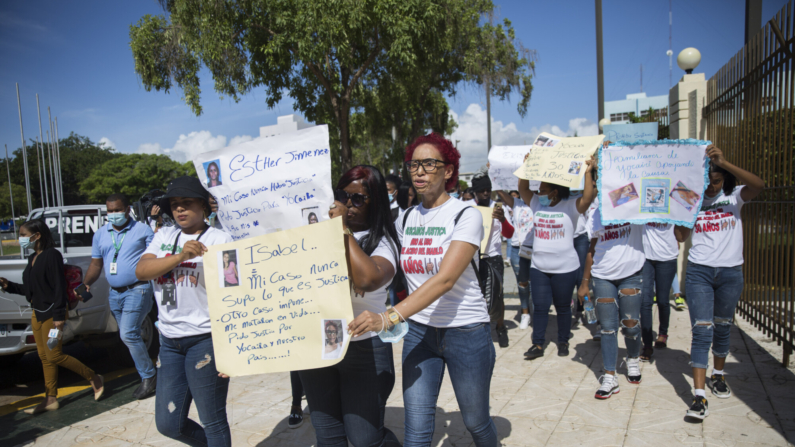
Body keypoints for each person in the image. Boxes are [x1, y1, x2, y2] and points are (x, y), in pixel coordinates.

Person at [348, 133, 498, 445]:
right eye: (414, 164)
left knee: (475, 422)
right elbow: (380, 257)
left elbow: (445, 280)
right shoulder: (405, 218)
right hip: (419, 332)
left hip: (466, 332)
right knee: (416, 431)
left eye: (429, 164)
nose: (419, 171)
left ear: (448, 171)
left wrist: (388, 317)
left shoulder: (466, 214)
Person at [300, 165, 401, 446]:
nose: (348, 204)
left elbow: (367, 278)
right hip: (320, 347)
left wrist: (341, 230)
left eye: (358, 199)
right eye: (342, 196)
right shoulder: (315, 236)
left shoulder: (385, 242)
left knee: (366, 439)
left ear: (376, 202)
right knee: (328, 437)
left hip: (364, 350)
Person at [135, 176, 233, 446]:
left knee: (212, 420)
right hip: (169, 342)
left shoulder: (221, 238)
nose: (179, 209)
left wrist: (233, 348)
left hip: (206, 340)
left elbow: (235, 292)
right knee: (168, 424)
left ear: (203, 206)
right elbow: (142, 271)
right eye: (175, 205)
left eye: (186, 203)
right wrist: (179, 257)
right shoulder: (165, 235)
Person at [675, 145, 764, 420]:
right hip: (699, 271)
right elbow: (680, 236)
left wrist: (724, 161)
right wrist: (687, 207)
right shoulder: (690, 196)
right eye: (707, 182)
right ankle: (699, 397)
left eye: (716, 181)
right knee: (702, 330)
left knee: (723, 327)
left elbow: (760, 185)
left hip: (730, 272)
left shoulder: (734, 196)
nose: (712, 188)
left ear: (724, 178)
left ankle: (719, 375)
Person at [0, 220, 104, 414]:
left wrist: (58, 316)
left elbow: (58, 287)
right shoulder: (33, 258)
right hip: (37, 314)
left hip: (53, 314)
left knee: (54, 354)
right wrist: (8, 286)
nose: (21, 239)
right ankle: (50, 399)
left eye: (23, 235)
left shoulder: (52, 256)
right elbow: (30, 290)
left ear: (36, 235)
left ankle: (94, 378)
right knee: (44, 357)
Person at [519, 151, 597, 360]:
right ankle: (538, 344)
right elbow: (523, 188)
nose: (539, 193)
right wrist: (527, 167)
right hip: (539, 268)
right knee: (541, 307)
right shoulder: (536, 203)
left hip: (565, 268)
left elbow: (588, 197)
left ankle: (563, 341)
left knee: (563, 308)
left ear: (554, 192)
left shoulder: (570, 206)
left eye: (543, 190)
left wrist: (588, 172)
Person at [82, 193, 157, 399]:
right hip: (114, 293)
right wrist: (86, 283)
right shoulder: (100, 234)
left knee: (128, 334)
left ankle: (149, 376)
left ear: (127, 209)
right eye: (110, 211)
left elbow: (156, 256)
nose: (113, 214)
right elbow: (96, 263)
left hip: (138, 288)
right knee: (129, 335)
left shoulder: (142, 230)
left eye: (117, 210)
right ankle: (152, 365)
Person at [578, 209, 645, 398]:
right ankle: (610, 376)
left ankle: (632, 359)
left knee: (630, 325)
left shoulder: (635, 206)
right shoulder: (595, 213)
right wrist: (584, 282)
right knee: (607, 328)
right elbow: (592, 249)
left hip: (631, 274)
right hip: (602, 276)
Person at [469, 170, 514, 347]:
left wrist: (502, 220)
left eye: (488, 189)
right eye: (482, 190)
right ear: (475, 192)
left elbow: (509, 234)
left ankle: (500, 326)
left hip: (493, 258)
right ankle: (479, 328)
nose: (486, 193)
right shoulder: (467, 208)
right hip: (473, 259)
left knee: (497, 295)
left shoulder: (498, 207)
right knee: (475, 295)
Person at [495, 187, 534, 330]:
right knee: (522, 284)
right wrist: (493, 171)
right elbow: (499, 191)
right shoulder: (517, 204)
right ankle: (525, 313)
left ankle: (537, 311)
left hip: (537, 248)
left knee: (537, 283)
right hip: (518, 248)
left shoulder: (542, 204)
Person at [639, 222, 679, 361]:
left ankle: (663, 333)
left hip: (667, 258)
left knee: (663, 300)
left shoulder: (672, 203)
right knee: (645, 301)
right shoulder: (642, 202)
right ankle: (647, 344)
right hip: (645, 258)